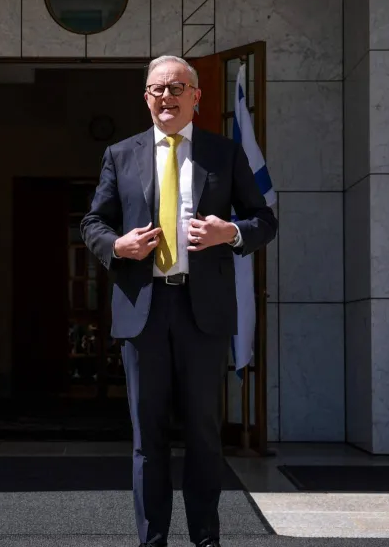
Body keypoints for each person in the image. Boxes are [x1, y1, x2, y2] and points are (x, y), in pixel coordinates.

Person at [80, 55, 278, 547]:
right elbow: (92, 223)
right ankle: (153, 540)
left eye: (175, 88)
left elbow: (264, 220)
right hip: (143, 311)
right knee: (148, 439)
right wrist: (117, 246)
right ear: (145, 97)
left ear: (196, 97)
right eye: (155, 89)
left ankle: (206, 538)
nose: (165, 97)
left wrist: (228, 231)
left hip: (201, 311)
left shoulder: (224, 153)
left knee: (204, 434)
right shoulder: (119, 154)